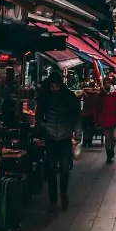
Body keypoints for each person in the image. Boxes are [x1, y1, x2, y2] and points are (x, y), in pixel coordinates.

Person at [35, 70, 81, 210]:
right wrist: (44, 126)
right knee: (51, 169)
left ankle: (63, 195)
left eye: (55, 85)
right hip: (51, 138)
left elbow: (77, 116)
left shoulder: (69, 97)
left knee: (65, 169)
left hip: (65, 137)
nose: (53, 87)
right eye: (52, 85)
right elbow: (38, 116)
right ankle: (53, 200)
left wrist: (77, 133)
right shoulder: (45, 97)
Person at [95, 78, 116, 163]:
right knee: (107, 138)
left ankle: (111, 149)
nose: (107, 84)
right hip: (104, 119)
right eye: (106, 83)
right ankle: (109, 154)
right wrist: (96, 119)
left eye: (109, 82)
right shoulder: (101, 94)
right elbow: (97, 107)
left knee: (114, 137)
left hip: (115, 118)